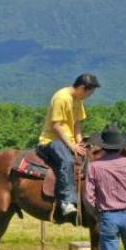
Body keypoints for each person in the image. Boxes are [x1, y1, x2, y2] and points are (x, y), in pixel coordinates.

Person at [36, 73, 100, 224]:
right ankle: (67, 201)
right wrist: (71, 146)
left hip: (69, 141)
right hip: (51, 140)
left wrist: (80, 142)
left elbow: (77, 124)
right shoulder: (61, 97)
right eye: (90, 93)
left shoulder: (78, 99)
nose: (90, 96)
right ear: (82, 88)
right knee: (67, 161)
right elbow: (56, 125)